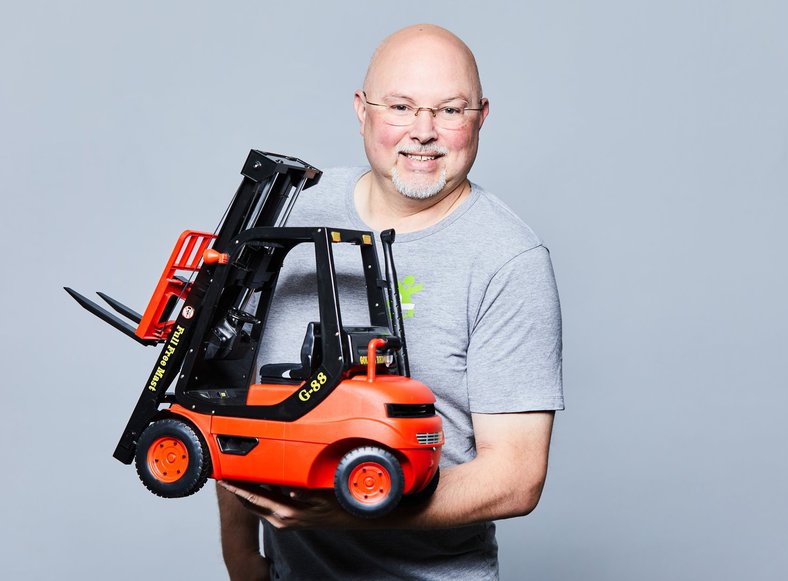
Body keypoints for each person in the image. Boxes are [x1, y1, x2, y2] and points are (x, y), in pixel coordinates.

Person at [216, 24, 564, 580]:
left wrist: (352, 509)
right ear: (362, 110)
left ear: (481, 117)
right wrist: (242, 558)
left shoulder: (508, 259)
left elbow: (516, 477)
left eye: (450, 110)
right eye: (401, 107)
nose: (423, 132)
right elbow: (233, 395)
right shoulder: (296, 210)